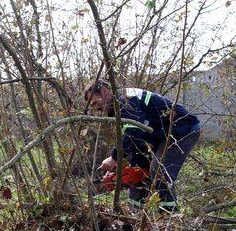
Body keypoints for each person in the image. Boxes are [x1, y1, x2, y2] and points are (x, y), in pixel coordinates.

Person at [84, 80, 200, 213]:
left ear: (104, 91)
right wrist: (132, 168)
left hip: (181, 130)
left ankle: (170, 216)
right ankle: (135, 214)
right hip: (160, 136)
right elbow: (136, 140)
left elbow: (133, 132)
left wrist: (115, 157)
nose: (96, 108)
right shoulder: (119, 106)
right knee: (138, 170)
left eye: (95, 102)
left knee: (159, 171)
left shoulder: (127, 100)